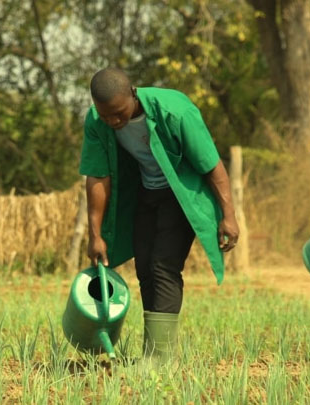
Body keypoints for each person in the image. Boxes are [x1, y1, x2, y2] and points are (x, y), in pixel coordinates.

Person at [79, 68, 239, 361]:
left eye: (118, 113)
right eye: (106, 116)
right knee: (145, 271)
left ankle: (161, 359)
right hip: (145, 193)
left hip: (182, 194)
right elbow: (97, 177)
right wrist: (96, 235)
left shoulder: (175, 111)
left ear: (132, 94)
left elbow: (212, 165)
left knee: (163, 267)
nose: (113, 121)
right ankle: (153, 352)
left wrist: (228, 215)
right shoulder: (96, 121)